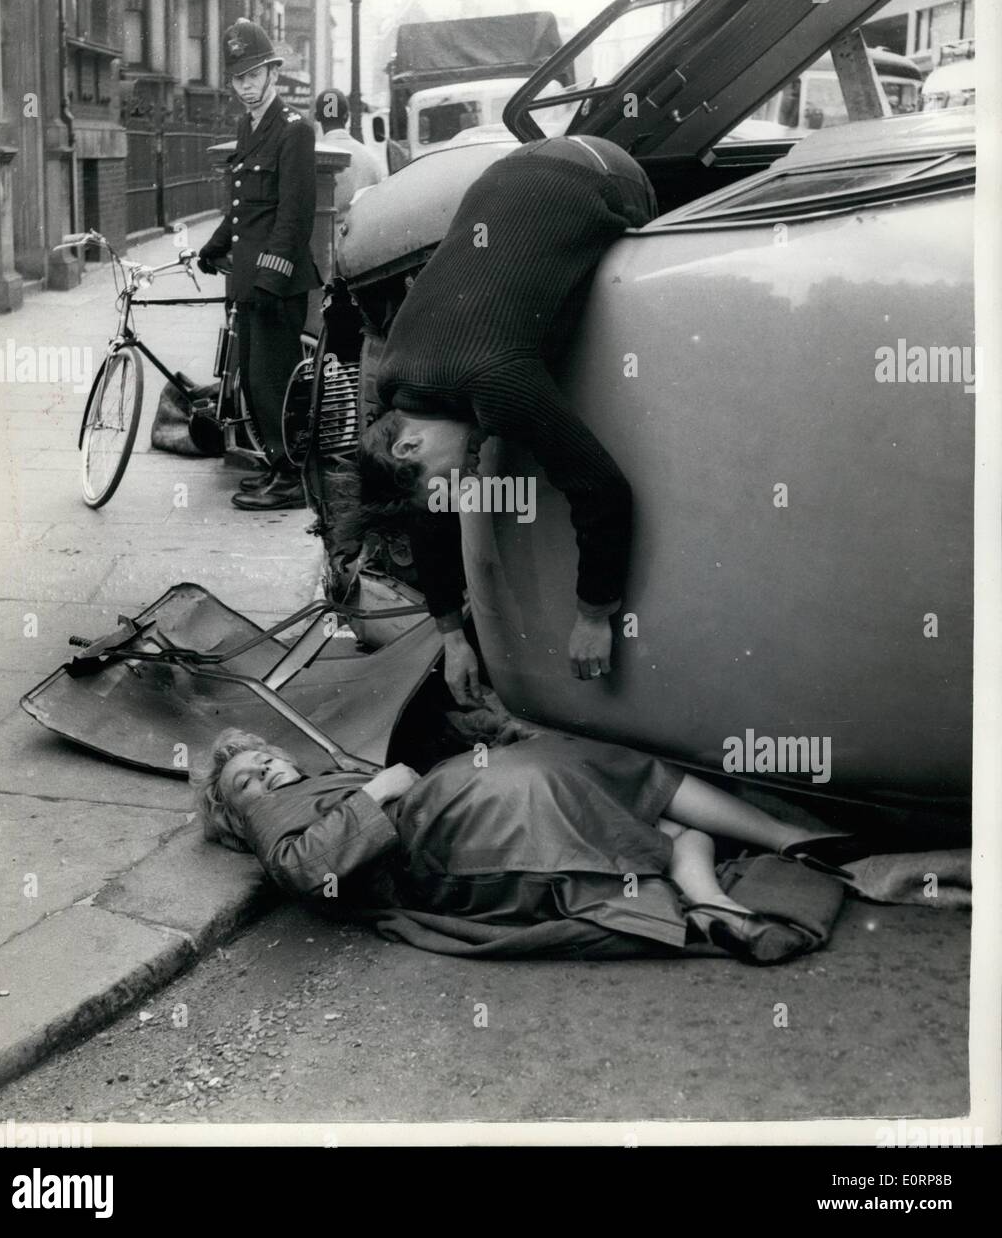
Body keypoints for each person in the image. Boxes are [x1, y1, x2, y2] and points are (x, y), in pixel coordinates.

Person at [339, 135, 655, 706]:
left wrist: (593, 615)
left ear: (407, 447)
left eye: (451, 482)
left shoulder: (495, 383)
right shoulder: (396, 382)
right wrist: (452, 637)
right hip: (504, 172)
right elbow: (429, 516)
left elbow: (603, 490)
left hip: (604, 170)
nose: (466, 480)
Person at [192, 715, 855, 965]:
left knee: (642, 809)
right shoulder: (268, 818)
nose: (269, 771)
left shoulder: (304, 787)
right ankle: (774, 841)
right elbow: (303, 867)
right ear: (233, 817)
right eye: (248, 779)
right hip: (442, 836)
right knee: (565, 774)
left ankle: (726, 899)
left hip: (452, 814)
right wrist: (377, 790)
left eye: (268, 759)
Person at [198, 18, 320, 511]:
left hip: (276, 283)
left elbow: (294, 215)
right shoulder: (247, 126)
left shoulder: (294, 131)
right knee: (252, 379)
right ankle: (276, 467)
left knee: (275, 384)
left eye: (254, 75)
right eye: (238, 79)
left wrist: (269, 276)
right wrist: (213, 246)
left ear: (273, 72)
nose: (246, 86)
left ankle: (290, 479)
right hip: (249, 281)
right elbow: (242, 206)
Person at [315, 88, 385, 214]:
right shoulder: (371, 158)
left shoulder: (312, 157)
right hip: (362, 232)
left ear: (317, 117)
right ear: (347, 116)